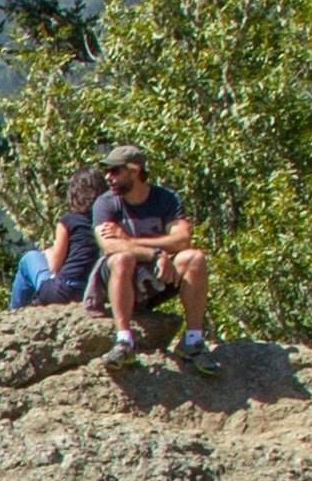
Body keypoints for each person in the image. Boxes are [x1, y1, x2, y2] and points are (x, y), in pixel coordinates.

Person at [89, 145, 216, 366]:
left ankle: (193, 341)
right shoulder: (106, 203)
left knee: (194, 258)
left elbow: (182, 239)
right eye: (106, 171)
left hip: (156, 276)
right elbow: (109, 246)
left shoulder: (166, 199)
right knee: (122, 258)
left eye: (115, 171)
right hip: (121, 276)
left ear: (134, 170)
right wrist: (156, 253)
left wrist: (130, 241)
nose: (108, 177)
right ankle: (124, 341)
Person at [11, 164, 99, 307]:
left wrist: (49, 253)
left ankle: (14, 312)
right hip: (91, 290)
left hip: (64, 291)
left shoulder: (68, 221)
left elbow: (54, 268)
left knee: (29, 258)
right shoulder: (106, 222)